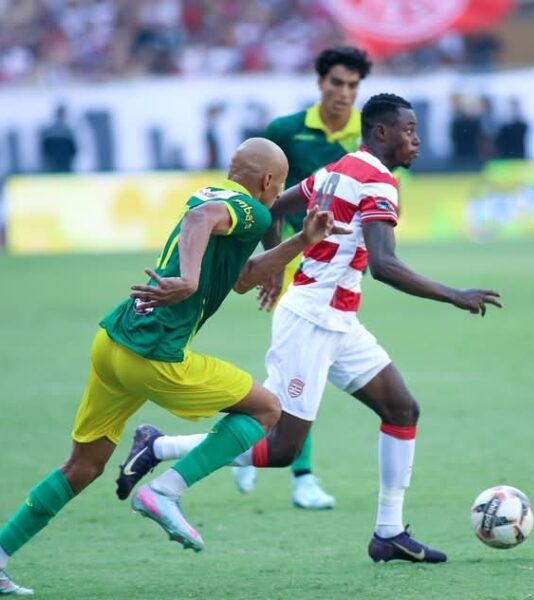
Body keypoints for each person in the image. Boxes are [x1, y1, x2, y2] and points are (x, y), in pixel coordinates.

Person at [114, 94, 502, 564]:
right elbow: (384, 265)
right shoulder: (377, 181)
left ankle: (389, 533)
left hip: (339, 321)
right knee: (281, 448)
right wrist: (454, 294)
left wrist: (275, 263)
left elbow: (274, 208)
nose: (416, 140)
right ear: (381, 132)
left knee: (401, 409)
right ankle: (159, 449)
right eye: (408, 131)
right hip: (311, 321)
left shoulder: (339, 169)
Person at [0, 137, 345, 595]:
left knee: (81, 467)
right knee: (266, 409)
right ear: (268, 181)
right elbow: (200, 221)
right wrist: (189, 278)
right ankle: (165, 492)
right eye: (279, 186)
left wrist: (302, 241)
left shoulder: (213, 194)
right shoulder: (252, 210)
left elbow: (242, 278)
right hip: (153, 355)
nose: (276, 193)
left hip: (112, 342)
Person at [241, 45, 373, 508]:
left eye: (353, 85)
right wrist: (273, 262)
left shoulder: (371, 134)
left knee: (295, 370)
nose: (344, 92)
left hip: (343, 267)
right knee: (303, 371)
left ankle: (246, 440)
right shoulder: (286, 131)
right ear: (320, 83)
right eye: (337, 82)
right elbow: (267, 200)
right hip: (302, 263)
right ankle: (302, 476)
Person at [39, 104, 78, 173]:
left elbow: (73, 149)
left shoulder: (69, 131)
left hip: (65, 164)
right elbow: (45, 150)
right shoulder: (50, 131)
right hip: (54, 165)